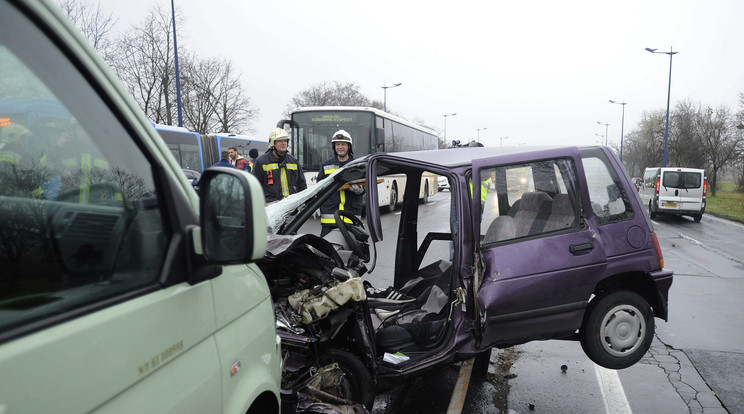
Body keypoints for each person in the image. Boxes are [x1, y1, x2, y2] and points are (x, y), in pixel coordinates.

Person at [316, 130, 364, 237]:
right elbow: (319, 187)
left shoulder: (357, 165)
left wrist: (360, 190)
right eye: (337, 144)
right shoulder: (326, 165)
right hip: (330, 217)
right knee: (326, 250)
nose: (340, 147)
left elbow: (364, 187)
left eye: (343, 144)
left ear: (349, 147)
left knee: (353, 250)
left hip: (350, 217)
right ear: (334, 147)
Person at [252, 128, 306, 203]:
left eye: (285, 141)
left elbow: (302, 185)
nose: (284, 143)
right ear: (272, 143)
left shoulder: (293, 161)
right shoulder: (261, 162)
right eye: (280, 141)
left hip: (292, 207)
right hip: (271, 208)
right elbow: (255, 187)